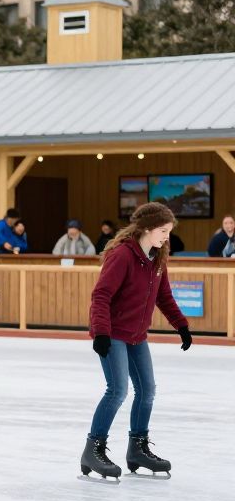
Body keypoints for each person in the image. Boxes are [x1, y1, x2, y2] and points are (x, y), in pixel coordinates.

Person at [82, 202, 191, 482]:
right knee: (117, 390)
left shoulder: (156, 258)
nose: (167, 236)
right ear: (146, 227)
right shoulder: (122, 255)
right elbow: (101, 295)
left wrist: (181, 325)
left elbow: (163, 297)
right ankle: (93, 449)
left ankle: (137, 448)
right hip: (113, 333)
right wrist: (102, 332)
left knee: (147, 390)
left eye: (169, 231)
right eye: (163, 230)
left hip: (136, 335)